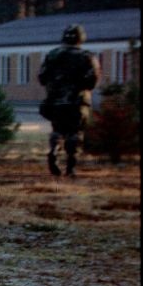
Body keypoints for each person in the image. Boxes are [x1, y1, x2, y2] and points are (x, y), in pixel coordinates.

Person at [38, 23, 100, 177]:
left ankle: (53, 151)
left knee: (57, 130)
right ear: (81, 38)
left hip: (56, 101)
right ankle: (70, 167)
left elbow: (42, 78)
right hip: (77, 101)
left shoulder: (52, 55)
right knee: (75, 133)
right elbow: (92, 81)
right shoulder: (87, 56)